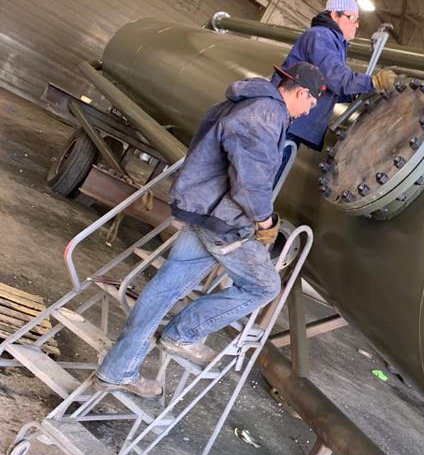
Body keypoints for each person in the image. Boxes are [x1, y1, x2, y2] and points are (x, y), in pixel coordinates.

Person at [94, 62, 327, 398]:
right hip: (222, 219)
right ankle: (184, 335)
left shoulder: (246, 100)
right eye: (311, 104)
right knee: (264, 286)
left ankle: (117, 369)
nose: (308, 112)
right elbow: (251, 182)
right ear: (302, 91)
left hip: (203, 209)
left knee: (166, 287)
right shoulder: (266, 114)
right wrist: (265, 222)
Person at [272, 0, 397, 165]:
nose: (356, 25)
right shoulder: (321, 36)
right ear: (334, 15)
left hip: (289, 122)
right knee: (262, 178)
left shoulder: (333, 42)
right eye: (352, 18)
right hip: (283, 119)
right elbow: (336, 78)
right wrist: (375, 82)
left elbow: (322, 89)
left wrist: (352, 95)